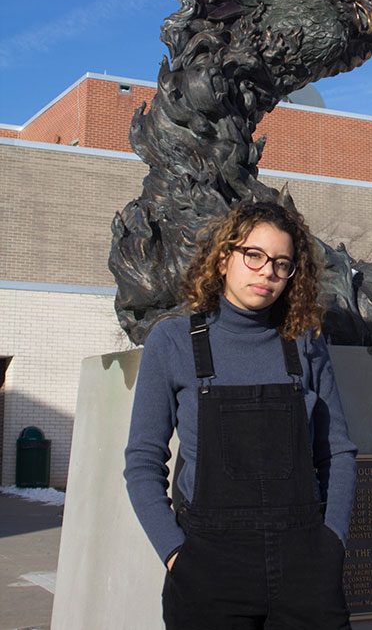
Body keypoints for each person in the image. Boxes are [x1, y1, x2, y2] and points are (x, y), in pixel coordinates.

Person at [124, 200, 357, 629]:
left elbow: (338, 453)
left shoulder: (305, 343)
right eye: (254, 255)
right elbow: (142, 462)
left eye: (282, 264)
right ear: (223, 257)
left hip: (306, 570)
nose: (267, 271)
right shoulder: (173, 342)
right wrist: (177, 556)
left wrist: (332, 544)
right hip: (208, 574)